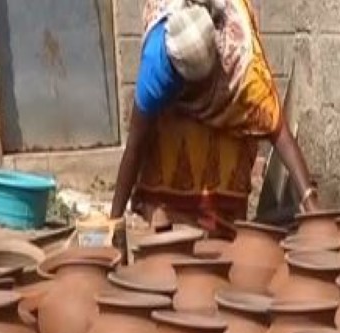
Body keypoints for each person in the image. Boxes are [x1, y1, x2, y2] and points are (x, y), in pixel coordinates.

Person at [110, 0, 321, 233]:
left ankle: (224, 226)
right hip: (176, 58)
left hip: (223, 64)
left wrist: (310, 201)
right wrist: (113, 223)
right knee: (169, 139)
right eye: (188, 84)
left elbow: (278, 131)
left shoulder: (242, 69)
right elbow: (135, 146)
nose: (195, 90)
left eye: (201, 83)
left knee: (225, 150)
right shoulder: (157, 69)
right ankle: (170, 224)